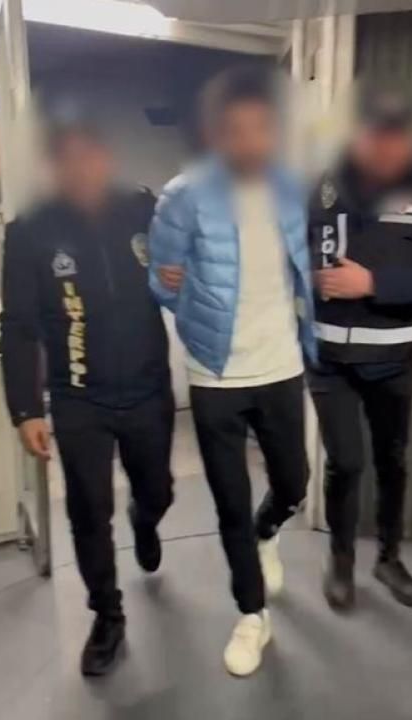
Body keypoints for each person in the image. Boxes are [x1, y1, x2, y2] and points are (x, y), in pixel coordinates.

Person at [149, 66, 316, 678]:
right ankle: (252, 614)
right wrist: (178, 292)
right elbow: (160, 281)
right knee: (228, 501)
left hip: (280, 366)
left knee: (294, 481)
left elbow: (301, 268)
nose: (248, 141)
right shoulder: (183, 195)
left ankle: (267, 531)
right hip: (215, 374)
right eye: (235, 129)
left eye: (259, 128)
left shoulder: (290, 190)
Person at [0, 120, 174, 677]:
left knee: (159, 489)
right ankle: (107, 615)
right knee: (88, 510)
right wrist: (26, 409)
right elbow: (18, 326)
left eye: (92, 153)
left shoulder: (143, 210)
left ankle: (146, 519)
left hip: (148, 389)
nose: (83, 167)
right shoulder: (30, 231)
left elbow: (186, 265)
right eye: (68, 157)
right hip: (79, 400)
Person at [308, 86, 412, 612]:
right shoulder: (317, 185)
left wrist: (373, 284)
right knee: (345, 463)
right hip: (328, 360)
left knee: (392, 460)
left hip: (392, 358)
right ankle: (340, 562)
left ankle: (389, 558)